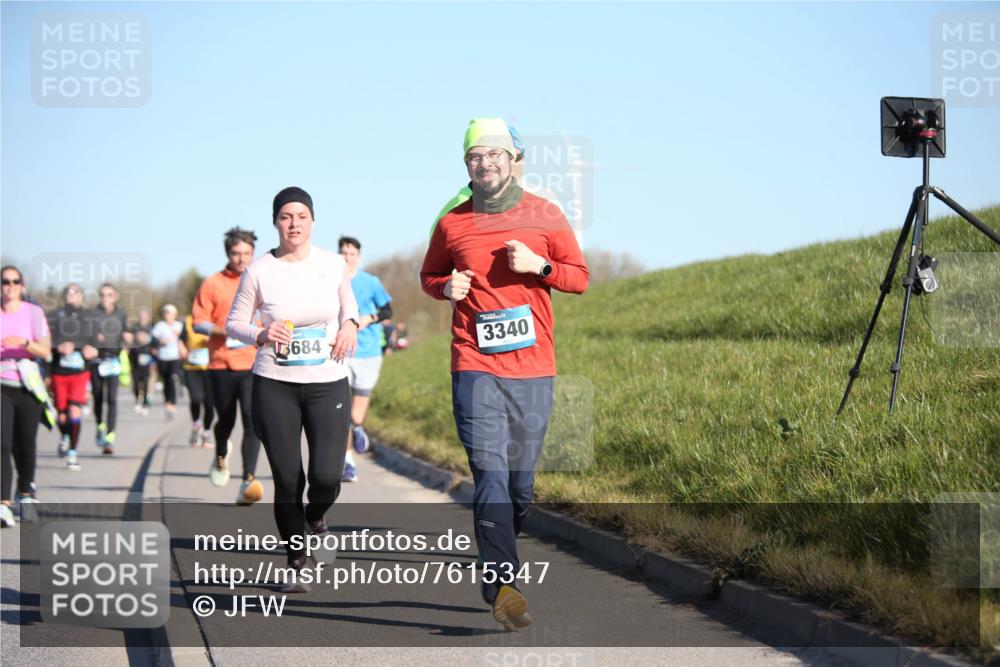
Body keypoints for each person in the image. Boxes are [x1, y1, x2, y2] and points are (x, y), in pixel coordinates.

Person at [420, 119, 589, 631]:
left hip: (534, 369)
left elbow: (578, 278)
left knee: (519, 486)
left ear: (515, 159)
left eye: (494, 154)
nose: (485, 163)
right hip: (474, 363)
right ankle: (504, 585)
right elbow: (429, 275)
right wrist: (444, 288)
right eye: (475, 156)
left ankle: (502, 543)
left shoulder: (546, 214)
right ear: (466, 164)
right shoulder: (453, 223)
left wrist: (540, 266)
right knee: (489, 475)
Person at [227, 186, 358, 591]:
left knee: (326, 477)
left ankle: (316, 517)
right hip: (275, 384)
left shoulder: (333, 264)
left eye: (301, 215)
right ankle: (296, 559)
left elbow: (348, 307)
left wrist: (350, 326)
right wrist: (262, 333)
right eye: (286, 216)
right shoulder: (259, 270)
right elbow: (234, 323)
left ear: (313, 221)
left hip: (326, 382)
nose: (294, 223)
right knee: (287, 480)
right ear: (275, 223)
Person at [192, 227, 264, 504]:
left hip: (252, 364)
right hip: (221, 364)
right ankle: (221, 453)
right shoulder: (213, 283)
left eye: (246, 253)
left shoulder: (262, 279)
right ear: (228, 254)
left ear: (253, 253)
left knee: (252, 420)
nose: (241, 259)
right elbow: (198, 321)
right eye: (236, 253)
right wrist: (226, 331)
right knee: (225, 420)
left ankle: (248, 480)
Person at [337, 235, 392, 483]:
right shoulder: (332, 281)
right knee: (341, 410)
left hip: (368, 352)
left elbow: (388, 310)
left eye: (351, 253)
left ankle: (358, 429)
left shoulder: (371, 282)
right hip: (341, 352)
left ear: (358, 257)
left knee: (356, 416)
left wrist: (369, 318)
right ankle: (347, 461)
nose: (347, 257)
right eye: (343, 252)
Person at [1, 266, 52, 526]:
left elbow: (45, 350)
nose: (10, 286)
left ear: (22, 285)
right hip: (1, 385)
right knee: (2, 442)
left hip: (28, 385)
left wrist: (23, 343)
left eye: (14, 281)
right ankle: (3, 504)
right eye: (5, 281)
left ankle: (25, 493)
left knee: (26, 444)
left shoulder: (33, 313)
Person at [48, 283, 96, 470]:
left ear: (81, 296)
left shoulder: (88, 316)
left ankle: (73, 454)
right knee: (61, 415)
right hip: (59, 371)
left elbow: (95, 341)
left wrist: (91, 349)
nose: (71, 295)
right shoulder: (55, 315)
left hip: (79, 371)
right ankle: (65, 435)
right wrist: (57, 347)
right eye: (67, 292)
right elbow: (46, 339)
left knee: (74, 410)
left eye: (75, 292)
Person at [86, 283, 132, 454]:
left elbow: (127, 331)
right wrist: (93, 338)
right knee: (98, 398)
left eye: (109, 295)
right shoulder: (92, 314)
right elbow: (85, 334)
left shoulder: (121, 313)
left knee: (112, 399)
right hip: (97, 361)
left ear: (115, 296)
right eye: (102, 295)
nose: (105, 298)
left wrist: (129, 336)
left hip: (113, 360)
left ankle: (110, 437)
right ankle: (100, 424)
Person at [181, 314, 214, 448]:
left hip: (211, 367)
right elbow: (181, 338)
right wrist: (181, 348)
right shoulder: (188, 320)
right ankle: (196, 425)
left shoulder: (214, 318)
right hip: (191, 367)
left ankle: (206, 432)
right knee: (195, 398)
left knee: (209, 402)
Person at [151, 304, 185, 418]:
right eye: (165, 312)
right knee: (166, 380)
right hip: (162, 357)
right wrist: (159, 343)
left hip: (175, 357)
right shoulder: (159, 326)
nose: (167, 315)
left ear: (174, 314)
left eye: (169, 312)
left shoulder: (179, 326)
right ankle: (167, 402)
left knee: (171, 378)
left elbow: (185, 339)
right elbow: (153, 340)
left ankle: (173, 403)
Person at [128, 306, 154, 415]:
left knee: (146, 381)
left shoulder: (151, 328)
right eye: (141, 316)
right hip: (135, 358)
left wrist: (147, 339)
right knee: (136, 382)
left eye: (145, 316)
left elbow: (155, 341)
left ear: (148, 317)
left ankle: (145, 403)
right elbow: (129, 340)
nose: (142, 318)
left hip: (148, 357)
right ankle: (137, 398)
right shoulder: (134, 328)